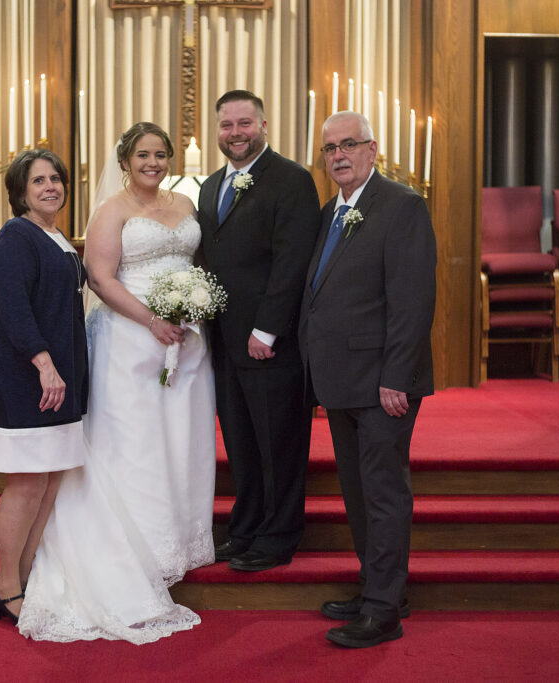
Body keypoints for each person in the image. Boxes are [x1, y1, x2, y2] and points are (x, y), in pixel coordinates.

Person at [18, 122, 215, 644]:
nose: (153, 163)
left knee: (180, 439)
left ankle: (173, 541)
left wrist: (192, 305)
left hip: (186, 344)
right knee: (135, 446)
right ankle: (135, 551)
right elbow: (102, 279)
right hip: (130, 342)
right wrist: (153, 320)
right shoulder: (112, 211)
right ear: (125, 161)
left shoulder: (187, 207)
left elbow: (196, 265)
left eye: (161, 154)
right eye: (143, 155)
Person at [299, 111, 436, 649]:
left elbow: (412, 300)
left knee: (382, 493)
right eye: (329, 147)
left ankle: (384, 613)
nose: (338, 155)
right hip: (340, 380)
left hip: (383, 383)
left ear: (372, 149)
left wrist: (396, 377)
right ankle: (380, 587)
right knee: (356, 493)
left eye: (348, 144)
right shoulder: (331, 211)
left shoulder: (401, 206)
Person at [198, 90, 321, 572]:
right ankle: (245, 528)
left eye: (244, 123)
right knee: (242, 443)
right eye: (226, 125)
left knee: (279, 444)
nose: (235, 133)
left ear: (264, 125)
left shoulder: (291, 180)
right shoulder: (210, 187)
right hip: (225, 343)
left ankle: (279, 536)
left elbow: (293, 262)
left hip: (270, 343)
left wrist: (267, 330)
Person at [0, 148, 89, 625]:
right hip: (25, 377)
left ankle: (22, 576)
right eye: (37, 181)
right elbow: (14, 309)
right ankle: (5, 583)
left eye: (55, 179)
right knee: (26, 482)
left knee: (51, 477)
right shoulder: (16, 238)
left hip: (57, 378)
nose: (49, 187)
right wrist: (44, 363)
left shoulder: (55, 235)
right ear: (20, 192)